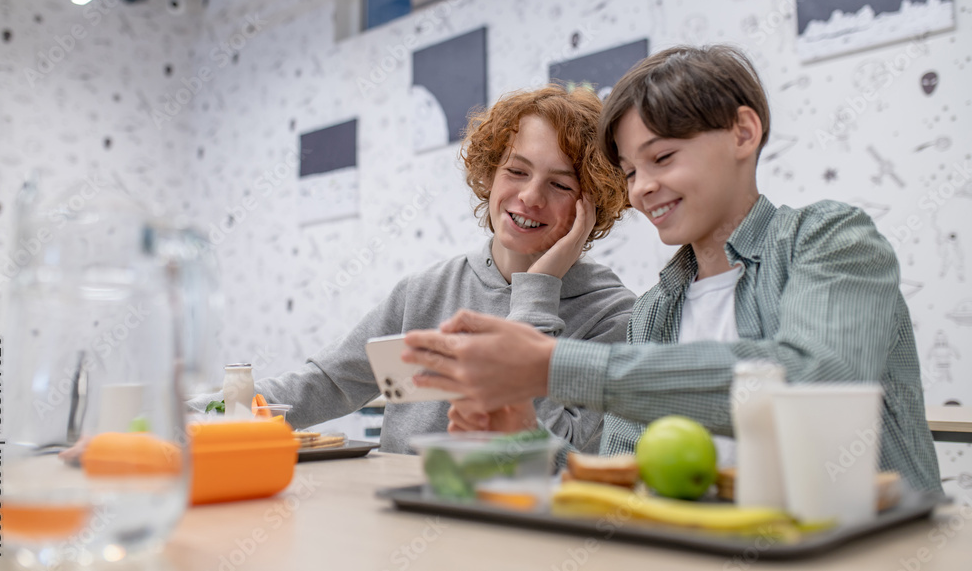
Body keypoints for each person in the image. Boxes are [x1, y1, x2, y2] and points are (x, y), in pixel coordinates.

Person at [403, 45, 942, 493]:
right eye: (630, 171)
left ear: (743, 133)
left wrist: (553, 365)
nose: (642, 188)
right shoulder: (654, 314)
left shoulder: (828, 239)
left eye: (661, 159)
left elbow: (816, 382)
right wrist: (524, 436)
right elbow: (616, 487)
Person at [189, 84, 635, 454]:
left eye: (559, 184)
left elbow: (563, 454)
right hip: (403, 515)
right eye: (516, 171)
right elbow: (328, 383)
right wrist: (198, 416)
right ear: (491, 174)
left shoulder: (614, 317)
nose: (531, 197)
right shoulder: (426, 291)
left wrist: (538, 289)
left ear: (593, 203)